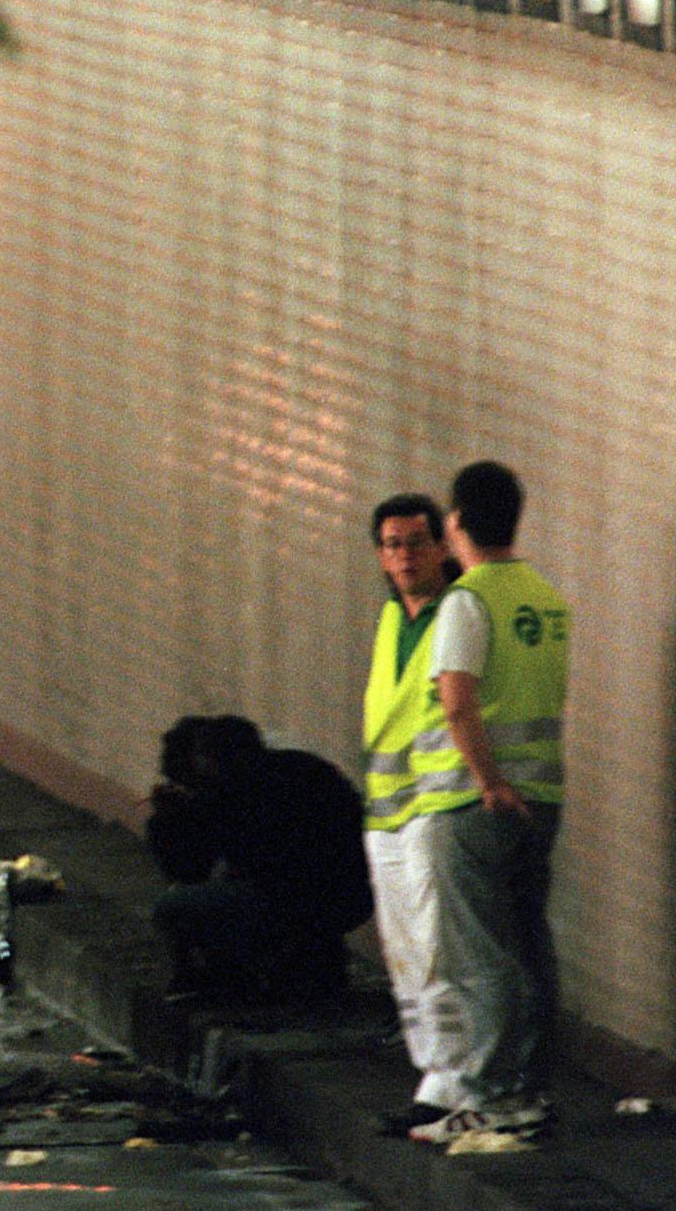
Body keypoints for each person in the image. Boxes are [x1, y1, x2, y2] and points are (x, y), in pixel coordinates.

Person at [397, 463, 570, 1145]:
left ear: (456, 522)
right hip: (542, 795)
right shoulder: (545, 598)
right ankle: (530, 1090)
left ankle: (491, 1095)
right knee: (529, 944)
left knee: (479, 953)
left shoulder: (467, 602)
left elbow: (458, 703)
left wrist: (489, 780)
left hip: (476, 802)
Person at [359, 492, 464, 1134]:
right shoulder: (391, 619)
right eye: (392, 545)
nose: (404, 557)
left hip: (432, 806)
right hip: (387, 813)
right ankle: (430, 1074)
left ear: (443, 547)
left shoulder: (456, 614)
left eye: (416, 543)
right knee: (403, 954)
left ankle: (451, 1079)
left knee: (436, 951)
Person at [145, 715, 370, 1005]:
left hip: (290, 900)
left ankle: (215, 982)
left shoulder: (232, 792)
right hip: (354, 894)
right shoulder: (301, 767)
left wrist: (168, 820)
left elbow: (189, 871)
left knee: (174, 907)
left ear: (211, 760)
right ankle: (312, 969)